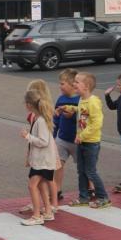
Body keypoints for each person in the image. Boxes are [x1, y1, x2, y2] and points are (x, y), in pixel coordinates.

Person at [66, 72, 110, 208]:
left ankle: (103, 197)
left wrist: (82, 136)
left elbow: (97, 123)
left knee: (90, 171)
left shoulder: (93, 102)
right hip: (82, 141)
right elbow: (82, 111)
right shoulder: (82, 100)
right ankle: (84, 197)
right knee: (81, 170)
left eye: (77, 82)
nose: (74, 84)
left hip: (91, 142)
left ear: (86, 87)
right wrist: (69, 108)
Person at [21, 89, 59, 225]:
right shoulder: (40, 118)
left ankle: (37, 215)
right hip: (44, 160)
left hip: (42, 161)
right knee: (42, 185)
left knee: (32, 186)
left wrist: (28, 136)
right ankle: (48, 212)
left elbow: (44, 141)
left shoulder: (40, 120)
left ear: (29, 105)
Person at [53, 69, 79, 200]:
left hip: (77, 140)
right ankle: (57, 189)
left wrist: (73, 115)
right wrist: (53, 136)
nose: (60, 86)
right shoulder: (61, 99)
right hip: (62, 138)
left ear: (73, 84)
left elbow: (85, 119)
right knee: (58, 164)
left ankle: (90, 188)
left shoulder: (81, 100)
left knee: (83, 167)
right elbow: (56, 118)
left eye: (62, 83)